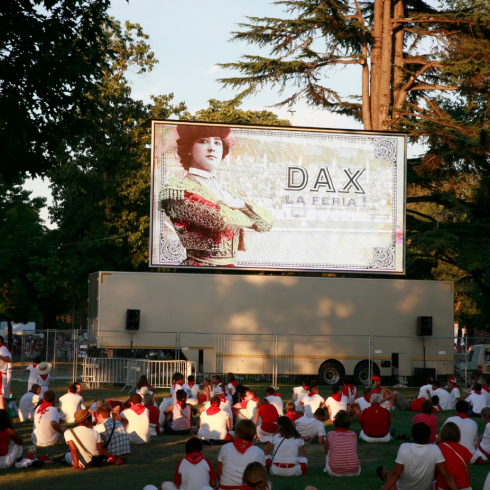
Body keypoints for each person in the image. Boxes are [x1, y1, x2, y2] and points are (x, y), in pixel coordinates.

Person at [159, 124, 273, 266]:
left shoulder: (224, 190)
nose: (212, 148)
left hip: (229, 271)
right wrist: (247, 214)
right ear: (189, 149)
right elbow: (221, 219)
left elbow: (266, 224)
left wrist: (242, 205)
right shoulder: (179, 189)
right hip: (198, 271)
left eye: (218, 142)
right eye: (203, 141)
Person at [378, 422, 459, 490]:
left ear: (412, 435)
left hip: (402, 488)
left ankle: (385, 473)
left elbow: (396, 475)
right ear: (428, 437)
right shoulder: (435, 449)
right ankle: (385, 473)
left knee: (391, 476)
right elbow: (446, 476)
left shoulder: (404, 447)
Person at [217, 419, 266, 489]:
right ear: (253, 435)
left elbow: (219, 475)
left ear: (237, 434)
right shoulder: (259, 452)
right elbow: (261, 478)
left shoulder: (225, 447)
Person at [324, 410, 360, 477]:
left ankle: (327, 468)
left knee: (328, 452)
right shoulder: (353, 435)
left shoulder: (330, 434)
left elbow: (326, 451)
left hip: (334, 472)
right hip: (354, 471)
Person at [436, 422, 472, 490]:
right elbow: (468, 475)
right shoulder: (464, 449)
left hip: (444, 487)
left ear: (442, 434)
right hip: (465, 487)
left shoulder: (438, 449)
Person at [0, 336, 12, 411]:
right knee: (2, 400)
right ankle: (7, 419)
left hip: (2, 376)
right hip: (3, 375)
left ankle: (4, 418)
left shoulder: (2, 348)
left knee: (1, 398)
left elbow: (8, 359)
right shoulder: (3, 348)